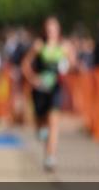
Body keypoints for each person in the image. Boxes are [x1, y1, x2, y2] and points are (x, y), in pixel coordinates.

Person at [22, 16, 72, 172]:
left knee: (53, 123)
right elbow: (25, 64)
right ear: (44, 30)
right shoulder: (38, 46)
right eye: (48, 29)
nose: (51, 32)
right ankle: (41, 132)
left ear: (58, 30)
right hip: (39, 90)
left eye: (54, 29)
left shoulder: (64, 47)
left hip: (55, 88)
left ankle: (50, 157)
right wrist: (33, 79)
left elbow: (72, 64)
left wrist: (68, 64)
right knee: (42, 127)